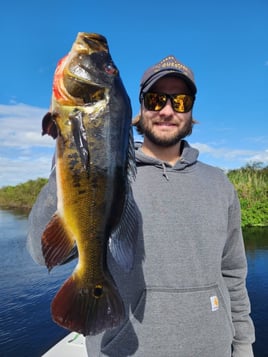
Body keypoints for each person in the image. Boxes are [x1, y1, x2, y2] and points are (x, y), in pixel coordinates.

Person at [27, 55, 255, 356]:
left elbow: (233, 276)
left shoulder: (220, 185)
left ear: (191, 110)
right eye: (156, 99)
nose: (168, 110)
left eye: (181, 101)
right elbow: (41, 254)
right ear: (140, 106)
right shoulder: (109, 177)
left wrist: (243, 346)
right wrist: (70, 156)